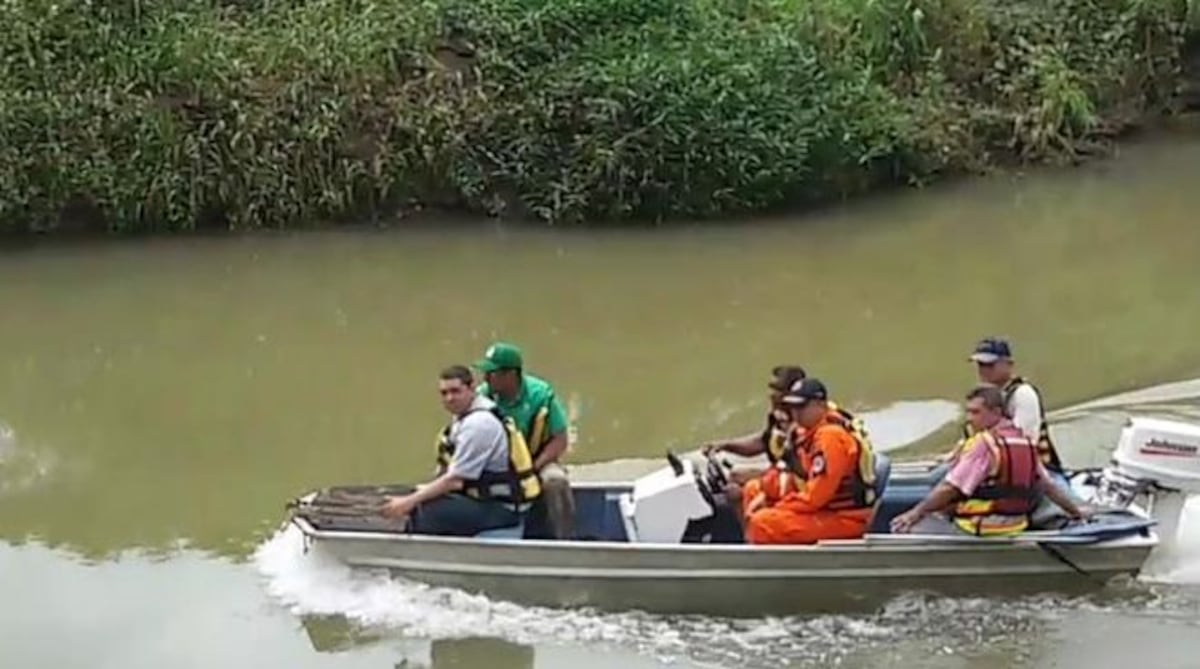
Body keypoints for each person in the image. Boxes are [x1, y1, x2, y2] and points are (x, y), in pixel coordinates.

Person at [891, 385, 1089, 536]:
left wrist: (914, 513)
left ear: (996, 412)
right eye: (968, 412)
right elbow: (1049, 486)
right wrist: (1076, 512)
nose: (969, 418)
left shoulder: (984, 444)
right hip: (1015, 524)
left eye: (976, 412)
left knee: (907, 527)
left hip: (981, 527)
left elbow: (950, 487)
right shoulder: (1024, 441)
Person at [380, 365, 541, 535]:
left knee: (427, 510)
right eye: (444, 393)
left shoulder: (480, 424)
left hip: (503, 508)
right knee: (423, 497)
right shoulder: (466, 415)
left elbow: (455, 481)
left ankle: (417, 549)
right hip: (485, 500)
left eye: (455, 391)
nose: (449, 398)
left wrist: (408, 502)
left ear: (472, 388)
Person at [738, 378, 879, 545]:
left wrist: (778, 507)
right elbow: (794, 476)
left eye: (801, 407)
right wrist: (765, 493)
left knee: (762, 523)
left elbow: (816, 497)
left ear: (820, 405)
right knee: (753, 489)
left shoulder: (831, 438)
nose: (796, 413)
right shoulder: (806, 433)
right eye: (792, 407)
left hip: (843, 517)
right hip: (821, 509)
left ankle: (763, 555)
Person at [474, 342, 575, 539]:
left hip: (537, 459)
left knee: (555, 481)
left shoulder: (541, 394)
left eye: (492, 373)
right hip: (496, 463)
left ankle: (565, 539)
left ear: (511, 374)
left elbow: (560, 440)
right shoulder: (481, 396)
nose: (486, 378)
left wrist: (531, 469)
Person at [964, 337, 1065, 473]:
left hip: (1035, 471)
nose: (984, 370)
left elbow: (1023, 442)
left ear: (1009, 364)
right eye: (980, 365)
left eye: (990, 365)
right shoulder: (981, 397)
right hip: (988, 466)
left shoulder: (1024, 394)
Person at [704, 365, 807, 484]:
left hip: (796, 482)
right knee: (735, 476)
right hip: (778, 474)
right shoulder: (776, 418)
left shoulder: (803, 426)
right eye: (771, 388)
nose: (771, 394)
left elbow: (804, 472)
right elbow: (762, 442)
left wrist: (759, 479)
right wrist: (725, 445)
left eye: (777, 389)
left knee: (737, 481)